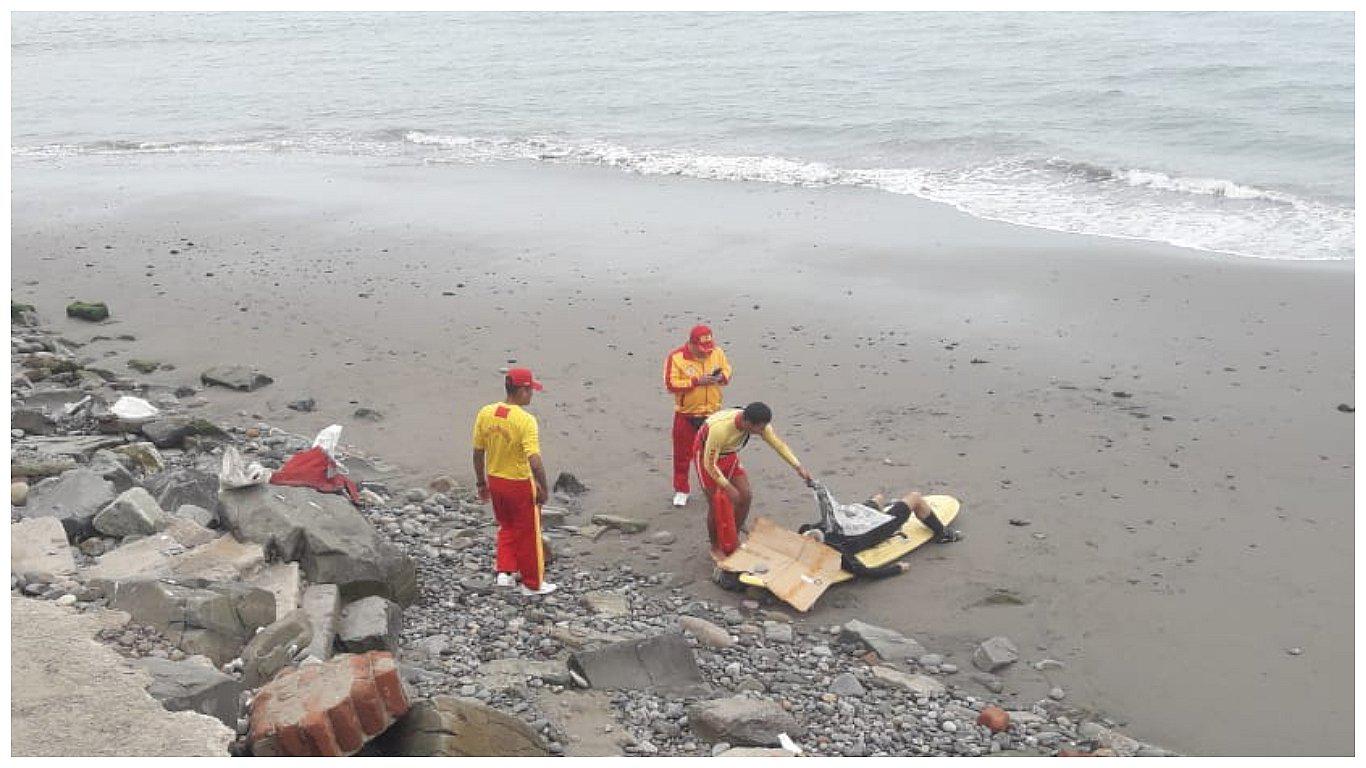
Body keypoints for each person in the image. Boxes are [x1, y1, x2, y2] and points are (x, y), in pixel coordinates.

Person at [471, 367, 556, 596]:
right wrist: (543, 487)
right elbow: (534, 460)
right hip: (518, 483)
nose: (532, 395)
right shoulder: (525, 421)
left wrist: (481, 483)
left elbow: (478, 452)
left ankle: (505, 572)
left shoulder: (486, 413)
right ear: (522, 391)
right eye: (530, 390)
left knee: (506, 526)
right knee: (528, 533)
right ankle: (532, 584)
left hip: (495, 480)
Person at [694, 401, 811, 558]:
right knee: (716, 505)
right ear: (747, 423)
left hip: (729, 454)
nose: (763, 431)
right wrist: (728, 487)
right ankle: (715, 547)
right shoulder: (719, 429)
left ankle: (732, 539)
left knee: (745, 496)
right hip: (705, 455)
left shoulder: (759, 425)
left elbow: (778, 445)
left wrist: (798, 467)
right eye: (760, 429)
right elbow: (709, 464)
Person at [801, 488, 962, 578]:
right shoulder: (835, 550)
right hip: (878, 528)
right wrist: (896, 569)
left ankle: (882, 507)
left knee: (878, 498)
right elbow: (864, 572)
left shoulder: (810, 531)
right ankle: (943, 534)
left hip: (856, 518)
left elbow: (805, 529)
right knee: (915, 497)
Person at [663, 324, 732, 507]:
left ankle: (715, 485)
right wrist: (696, 381)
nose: (706, 353)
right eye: (702, 349)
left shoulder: (717, 352)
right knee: (682, 455)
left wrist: (721, 377)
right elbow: (671, 384)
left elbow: (727, 369)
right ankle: (681, 490)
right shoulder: (676, 357)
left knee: (714, 453)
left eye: (708, 348)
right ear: (692, 344)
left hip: (712, 415)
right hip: (686, 414)